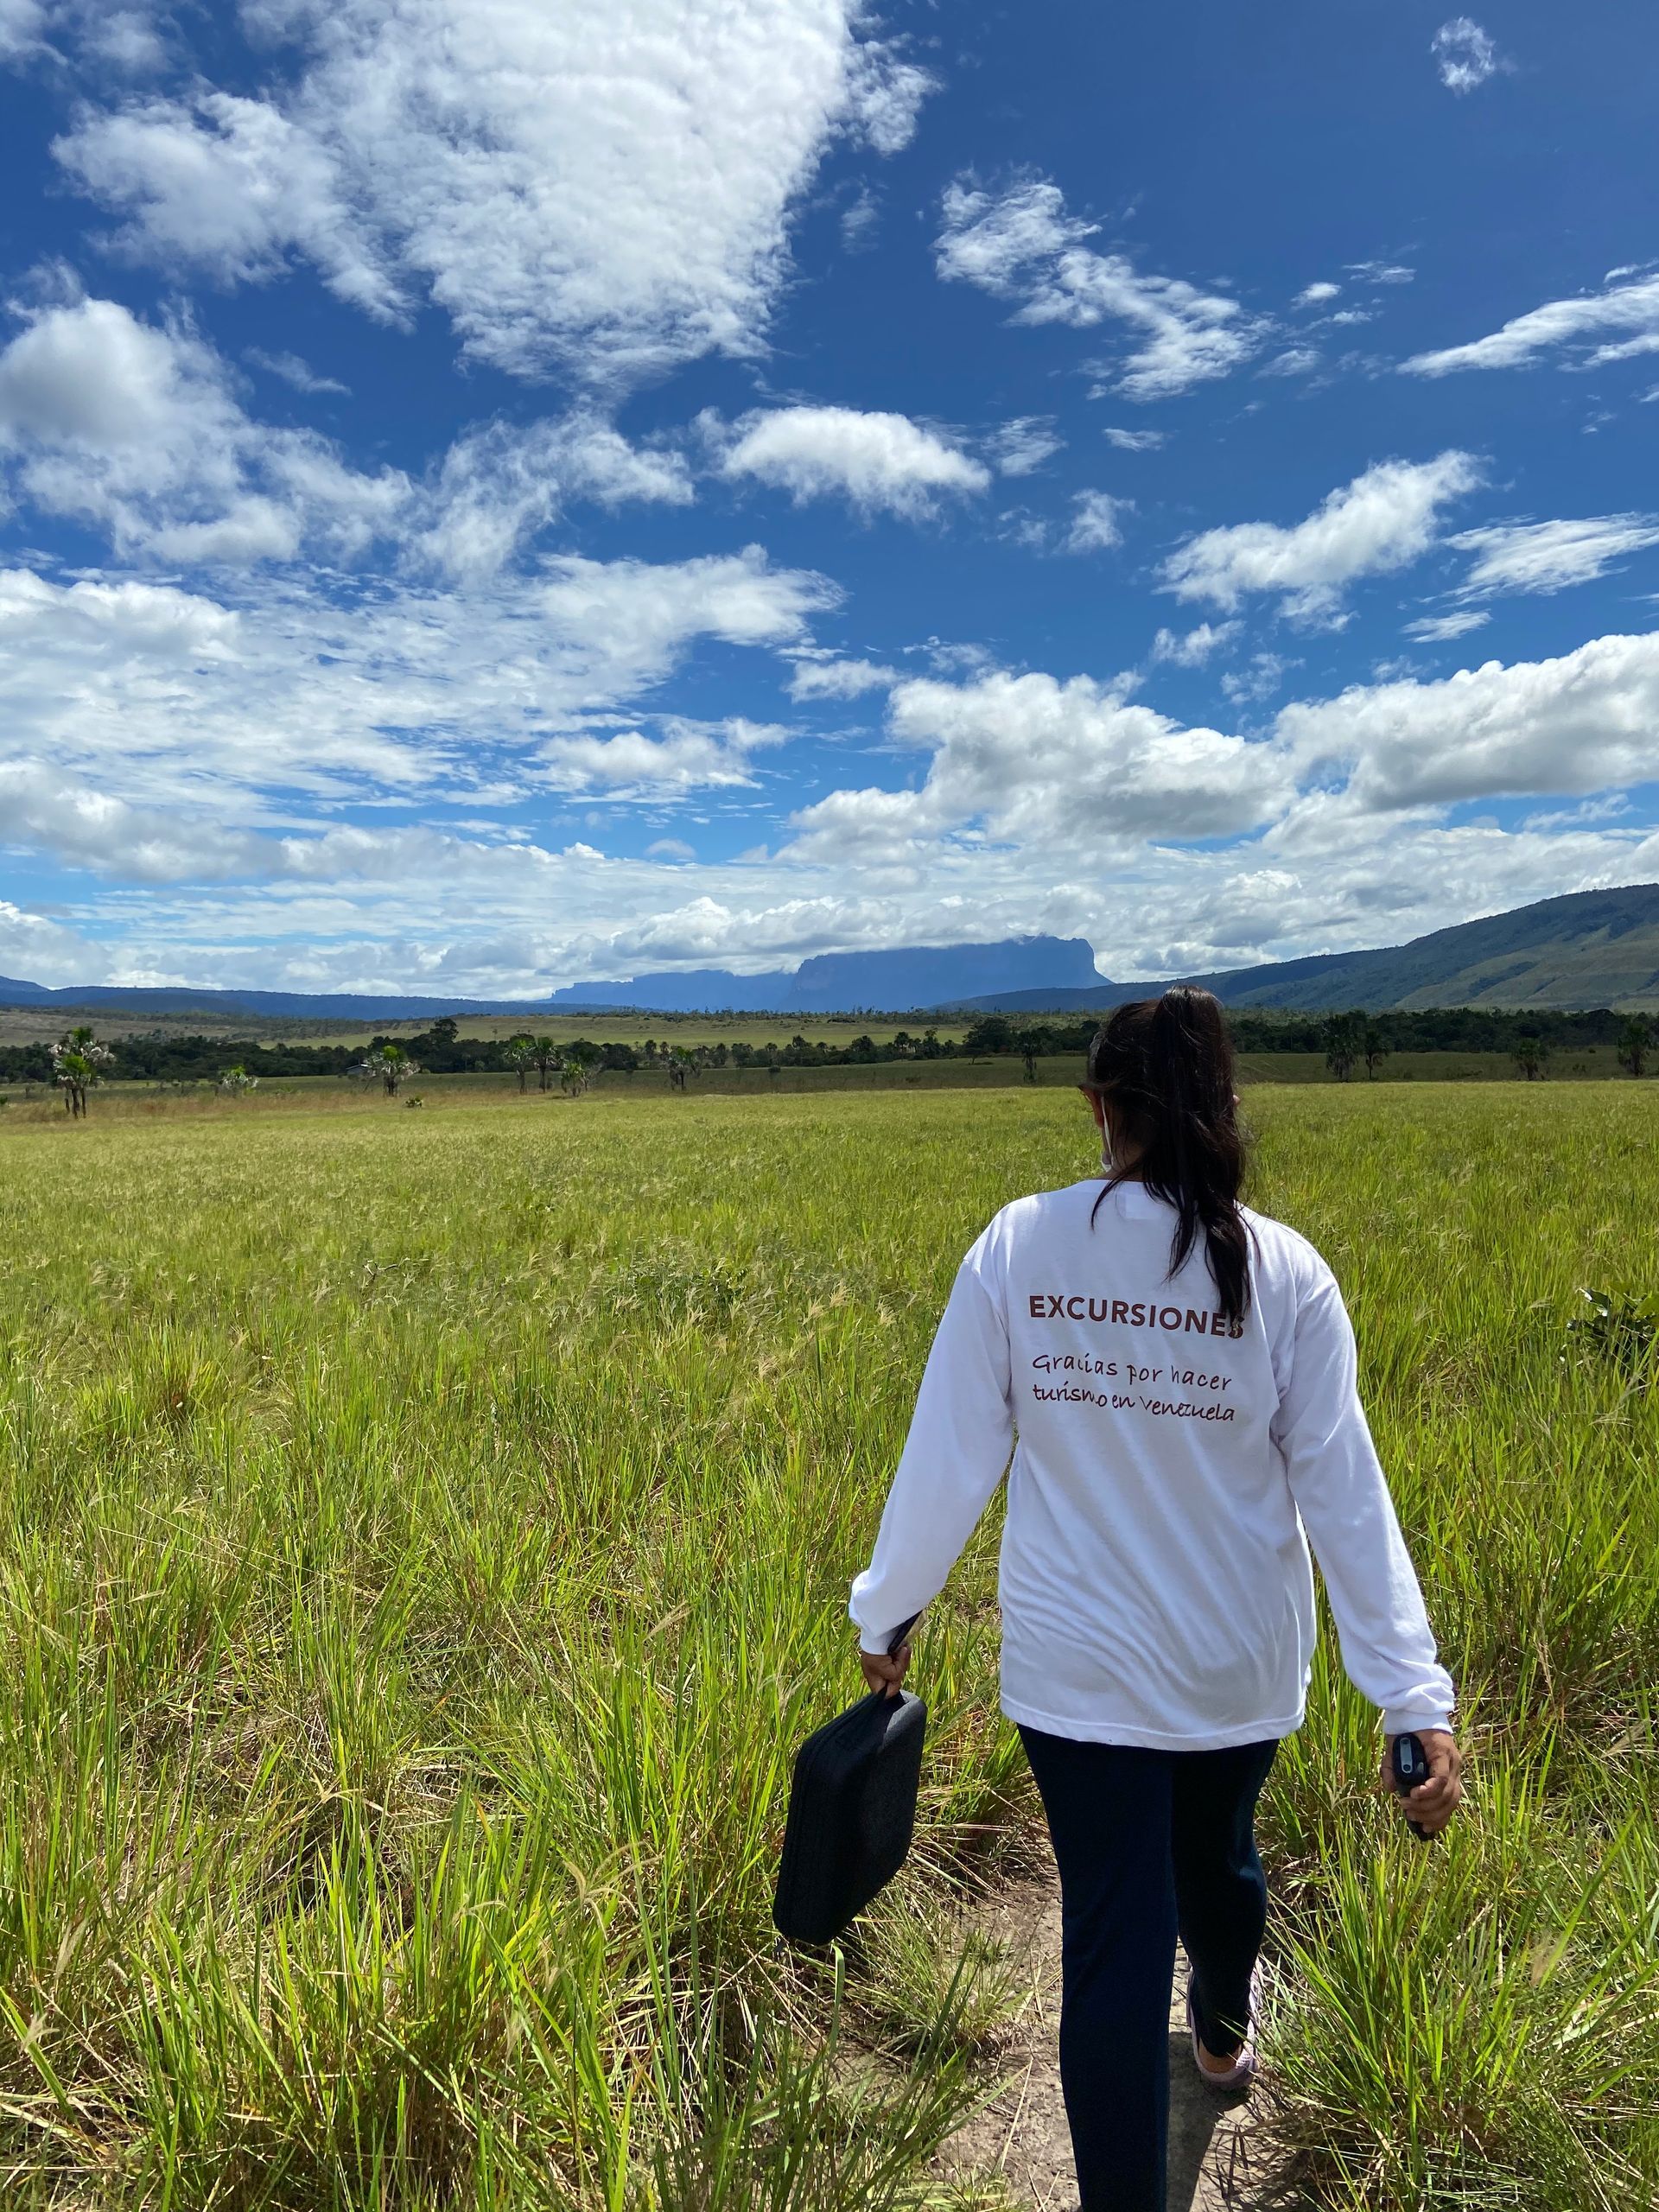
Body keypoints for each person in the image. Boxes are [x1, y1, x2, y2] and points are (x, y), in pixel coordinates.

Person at [849, 988, 1461, 2212]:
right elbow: (1347, 1495)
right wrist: (1410, 1697)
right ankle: (1225, 2035)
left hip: (1075, 1679)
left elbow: (947, 1459)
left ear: (1097, 1108)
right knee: (1219, 1860)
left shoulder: (1018, 1246)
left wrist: (889, 1612)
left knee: (1112, 1941)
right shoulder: (1285, 1269)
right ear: (1227, 1105)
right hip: (1236, 1670)